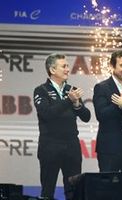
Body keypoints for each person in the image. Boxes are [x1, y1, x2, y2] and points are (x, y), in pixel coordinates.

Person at [33, 53, 91, 200]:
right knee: (47, 192)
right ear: (52, 70)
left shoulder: (72, 89)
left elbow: (86, 117)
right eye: (64, 66)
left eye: (67, 66)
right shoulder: (41, 90)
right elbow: (47, 114)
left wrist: (77, 104)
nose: (67, 69)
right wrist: (68, 100)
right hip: (50, 146)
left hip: (72, 146)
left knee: (74, 192)